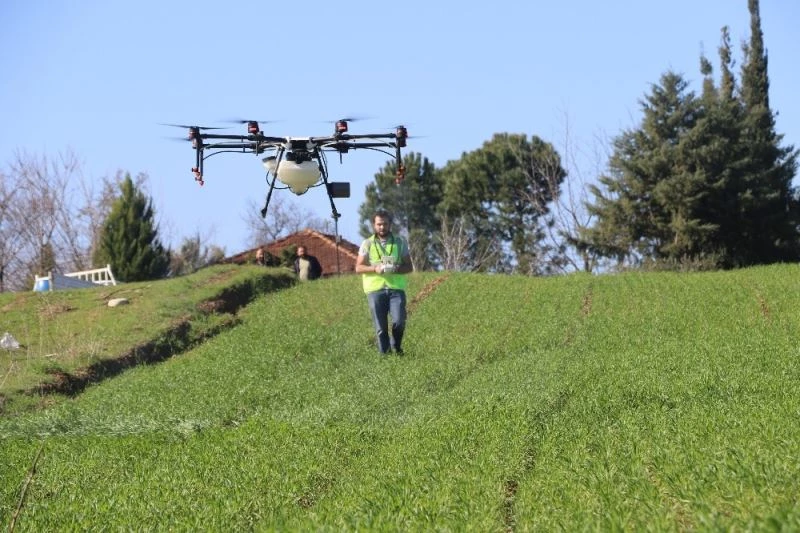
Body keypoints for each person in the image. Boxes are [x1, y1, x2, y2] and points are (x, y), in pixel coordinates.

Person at [355, 210, 412, 355]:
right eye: (379, 224)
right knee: (380, 328)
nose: (382, 227)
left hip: (396, 289)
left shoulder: (400, 242)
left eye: (385, 224)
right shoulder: (367, 243)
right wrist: (374, 268)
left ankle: (396, 347)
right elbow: (358, 267)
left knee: (399, 322)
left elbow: (409, 267)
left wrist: (396, 268)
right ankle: (385, 356)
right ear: (374, 225)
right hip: (375, 290)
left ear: (390, 224)